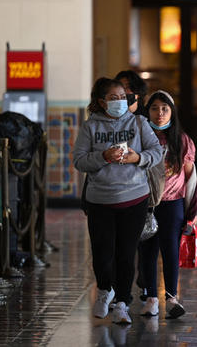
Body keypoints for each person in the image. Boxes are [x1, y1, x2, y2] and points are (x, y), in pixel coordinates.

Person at [73, 77, 163, 325]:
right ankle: (104, 290)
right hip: (100, 200)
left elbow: (156, 152)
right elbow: (79, 161)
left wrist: (137, 158)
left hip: (134, 197)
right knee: (102, 253)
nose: (120, 102)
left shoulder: (139, 122)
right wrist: (103, 156)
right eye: (113, 98)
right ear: (101, 102)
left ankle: (122, 302)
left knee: (125, 255)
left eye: (123, 97)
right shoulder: (90, 127)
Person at [138, 90, 197, 319]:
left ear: (172, 111)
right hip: (144, 203)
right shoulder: (140, 137)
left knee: (171, 250)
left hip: (173, 204)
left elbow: (190, 177)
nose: (160, 113)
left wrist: (191, 213)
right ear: (147, 111)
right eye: (154, 108)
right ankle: (151, 298)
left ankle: (172, 298)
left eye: (165, 108)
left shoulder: (182, 140)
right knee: (147, 251)